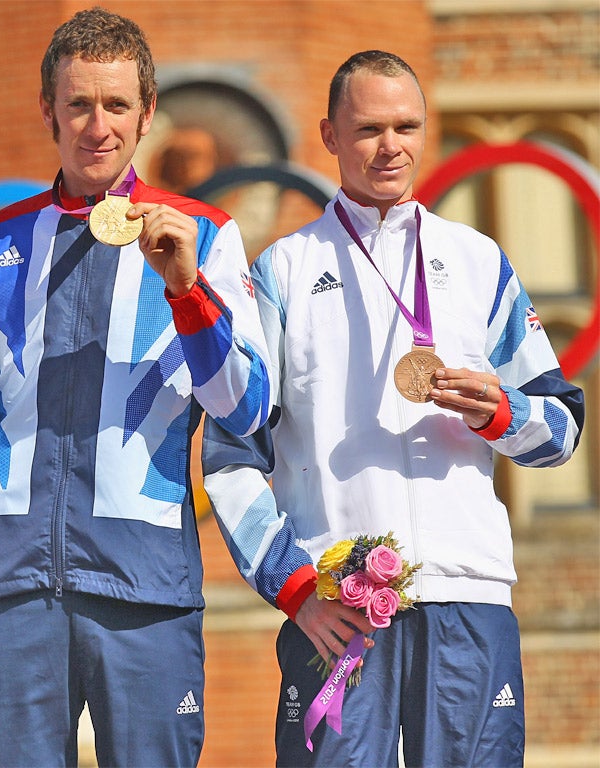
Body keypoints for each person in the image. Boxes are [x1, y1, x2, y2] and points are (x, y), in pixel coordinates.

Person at [203, 50, 585, 767]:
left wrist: (499, 415)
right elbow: (230, 456)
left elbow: (561, 430)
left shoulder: (478, 262)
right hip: (340, 608)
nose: (391, 147)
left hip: (469, 595)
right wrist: (296, 590)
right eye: (370, 128)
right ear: (330, 134)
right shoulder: (281, 271)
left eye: (406, 126)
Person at [0, 8, 273, 767]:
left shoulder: (204, 233)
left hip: (144, 590)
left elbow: (244, 407)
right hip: (10, 591)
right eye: (79, 103)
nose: (98, 125)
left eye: (117, 104)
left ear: (148, 112)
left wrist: (187, 289)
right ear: (48, 109)